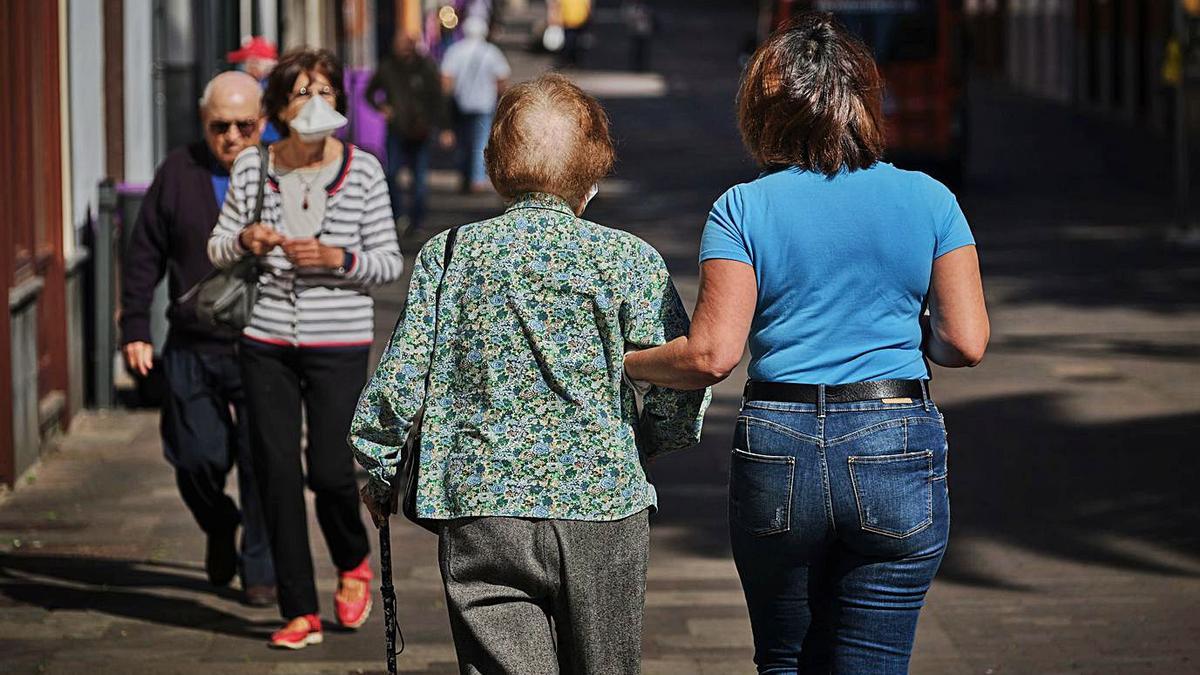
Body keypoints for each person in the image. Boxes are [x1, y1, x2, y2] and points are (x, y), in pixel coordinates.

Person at [625, 14, 990, 674]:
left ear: (767, 113)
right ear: (865, 104)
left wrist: (626, 362)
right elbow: (966, 341)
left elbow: (711, 354)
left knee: (785, 658)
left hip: (780, 442)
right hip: (894, 437)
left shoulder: (742, 208)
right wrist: (914, 327)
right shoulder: (931, 200)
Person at [351, 74, 710, 673]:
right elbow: (678, 378)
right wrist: (648, 440)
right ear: (593, 175)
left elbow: (402, 377)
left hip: (481, 505)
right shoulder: (628, 259)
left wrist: (380, 467)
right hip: (603, 505)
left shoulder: (450, 253)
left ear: (496, 168)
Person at [207, 48, 403, 650]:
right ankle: (298, 608)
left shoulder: (363, 170)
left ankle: (352, 559)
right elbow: (217, 249)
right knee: (274, 470)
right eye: (301, 93)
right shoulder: (251, 169)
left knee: (327, 468)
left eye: (326, 91)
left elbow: (389, 262)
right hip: (264, 336)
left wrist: (337, 258)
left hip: (338, 338)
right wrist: (246, 238)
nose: (316, 103)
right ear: (278, 109)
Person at [120, 71, 276, 608]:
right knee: (193, 457)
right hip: (193, 339)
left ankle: (261, 568)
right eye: (219, 126)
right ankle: (218, 522)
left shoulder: (283, 172)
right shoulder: (178, 173)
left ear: (263, 122)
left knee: (262, 460)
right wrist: (135, 328)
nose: (232, 137)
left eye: (244, 125)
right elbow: (144, 254)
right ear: (203, 124)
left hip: (264, 341)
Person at [365, 32, 450, 235]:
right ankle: (397, 217)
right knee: (392, 173)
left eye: (406, 45)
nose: (403, 49)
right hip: (397, 128)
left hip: (421, 129)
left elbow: (437, 97)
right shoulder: (388, 67)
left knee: (419, 178)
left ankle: (417, 220)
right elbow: (369, 92)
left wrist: (444, 126)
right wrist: (382, 107)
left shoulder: (425, 66)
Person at [440, 15, 510, 193]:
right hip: (484, 105)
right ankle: (476, 179)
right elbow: (502, 79)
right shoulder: (491, 52)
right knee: (480, 142)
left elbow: (446, 80)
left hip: (461, 104)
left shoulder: (455, 51)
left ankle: (464, 174)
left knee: (463, 142)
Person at [228, 36, 282, 144]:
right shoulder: (277, 81)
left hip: (267, 141)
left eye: (243, 63)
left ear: (255, 63)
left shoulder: (261, 87)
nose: (242, 68)